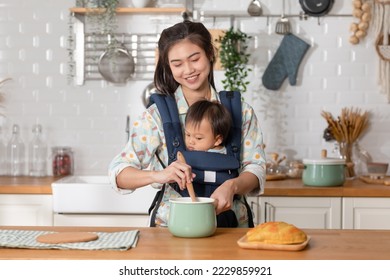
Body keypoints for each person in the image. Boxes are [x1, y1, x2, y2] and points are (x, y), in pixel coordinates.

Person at [108, 20, 266, 227]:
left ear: (210, 53)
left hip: (232, 228)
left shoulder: (240, 111)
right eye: (177, 64)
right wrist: (160, 175)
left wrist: (233, 186)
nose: (188, 70)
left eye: (195, 58)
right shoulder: (156, 116)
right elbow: (118, 173)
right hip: (170, 229)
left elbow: (256, 168)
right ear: (168, 67)